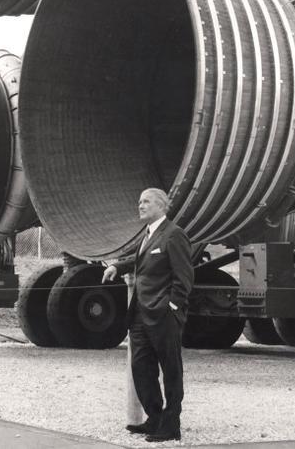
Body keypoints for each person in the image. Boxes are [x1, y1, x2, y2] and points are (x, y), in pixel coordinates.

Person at [102, 188, 194, 442]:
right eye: (139, 201)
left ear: (162, 206)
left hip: (163, 315)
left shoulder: (174, 235)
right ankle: (154, 419)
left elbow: (184, 278)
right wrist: (116, 266)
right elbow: (140, 259)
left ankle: (171, 424)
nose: (140, 206)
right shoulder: (149, 234)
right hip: (141, 314)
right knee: (141, 367)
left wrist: (172, 308)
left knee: (171, 369)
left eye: (146, 202)